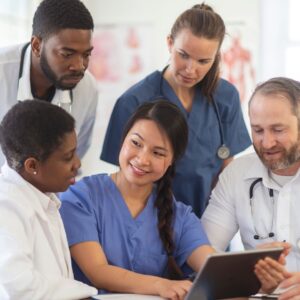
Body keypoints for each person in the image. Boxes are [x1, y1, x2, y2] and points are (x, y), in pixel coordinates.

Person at [100, 3, 251, 217]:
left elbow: (226, 169)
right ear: (170, 43)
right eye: (183, 55)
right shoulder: (134, 101)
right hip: (150, 221)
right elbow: (125, 178)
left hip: (208, 220)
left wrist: (217, 223)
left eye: (203, 61)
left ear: (216, 57)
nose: (191, 69)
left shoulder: (225, 97)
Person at [60, 100, 216, 299]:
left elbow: (213, 267)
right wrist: (161, 285)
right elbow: (97, 271)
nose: (142, 159)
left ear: (171, 161)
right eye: (136, 143)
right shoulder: (81, 197)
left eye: (157, 153)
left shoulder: (181, 217)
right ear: (123, 139)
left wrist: (260, 272)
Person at [202, 77, 300, 276]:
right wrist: (248, 269)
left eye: (278, 130)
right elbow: (204, 252)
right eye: (258, 130)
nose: (267, 143)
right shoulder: (236, 175)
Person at [0, 101, 97, 299]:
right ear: (32, 165)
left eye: (75, 152)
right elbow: (19, 286)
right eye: (68, 157)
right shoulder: (6, 206)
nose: (77, 164)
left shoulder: (43, 193)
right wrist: (84, 293)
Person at [0, 0, 98, 168]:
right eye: (67, 54)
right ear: (37, 46)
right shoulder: (3, 72)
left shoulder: (87, 88)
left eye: (86, 54)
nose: (79, 66)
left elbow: (72, 160)